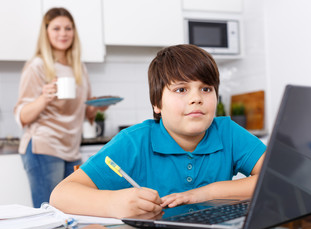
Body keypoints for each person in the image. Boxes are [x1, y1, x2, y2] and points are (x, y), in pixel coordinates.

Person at [50, 44, 266, 219]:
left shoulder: (226, 131)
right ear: (157, 104)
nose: (197, 98)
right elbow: (60, 195)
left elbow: (275, 178)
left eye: (206, 89)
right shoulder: (134, 142)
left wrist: (202, 194)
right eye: (181, 89)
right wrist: (113, 204)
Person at [14, 7, 106, 208]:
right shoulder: (37, 65)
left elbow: (84, 109)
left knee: (69, 212)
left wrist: (98, 108)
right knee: (49, 213)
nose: (63, 33)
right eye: (56, 28)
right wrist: (43, 99)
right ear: (46, 33)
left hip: (71, 149)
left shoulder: (79, 67)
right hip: (44, 146)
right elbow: (21, 115)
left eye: (68, 28)